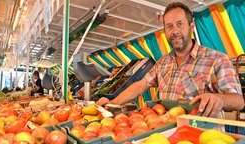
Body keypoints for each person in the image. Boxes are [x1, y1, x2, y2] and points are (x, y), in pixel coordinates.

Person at [96, 2, 244, 118]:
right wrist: (112, 103)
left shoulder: (217, 59)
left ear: (191, 26)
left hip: (203, 135)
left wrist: (219, 99)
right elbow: (142, 84)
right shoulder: (162, 63)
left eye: (180, 24)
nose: (175, 31)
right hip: (168, 134)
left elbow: (239, 101)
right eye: (169, 26)